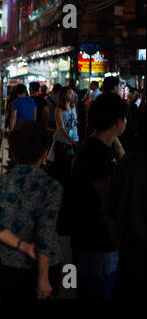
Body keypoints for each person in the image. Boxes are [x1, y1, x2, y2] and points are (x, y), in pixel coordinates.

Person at [0, 120, 63, 299]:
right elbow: (45, 233)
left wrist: (21, 245)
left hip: (3, 264)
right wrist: (43, 277)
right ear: (44, 153)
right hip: (41, 266)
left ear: (13, 153)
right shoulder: (51, 187)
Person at [69, 92, 128, 299]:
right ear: (119, 121)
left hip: (95, 242)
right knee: (95, 292)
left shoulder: (103, 147)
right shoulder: (94, 153)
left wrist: (115, 141)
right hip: (95, 243)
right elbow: (110, 199)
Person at [103, 112, 145, 299]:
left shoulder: (129, 162)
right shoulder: (130, 162)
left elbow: (109, 212)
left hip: (132, 253)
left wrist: (123, 248)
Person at [47, 86, 79, 185]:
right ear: (64, 95)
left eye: (73, 93)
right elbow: (61, 128)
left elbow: (74, 123)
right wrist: (70, 139)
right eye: (70, 93)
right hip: (62, 141)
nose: (72, 95)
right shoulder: (59, 109)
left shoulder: (73, 107)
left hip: (74, 139)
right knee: (61, 166)